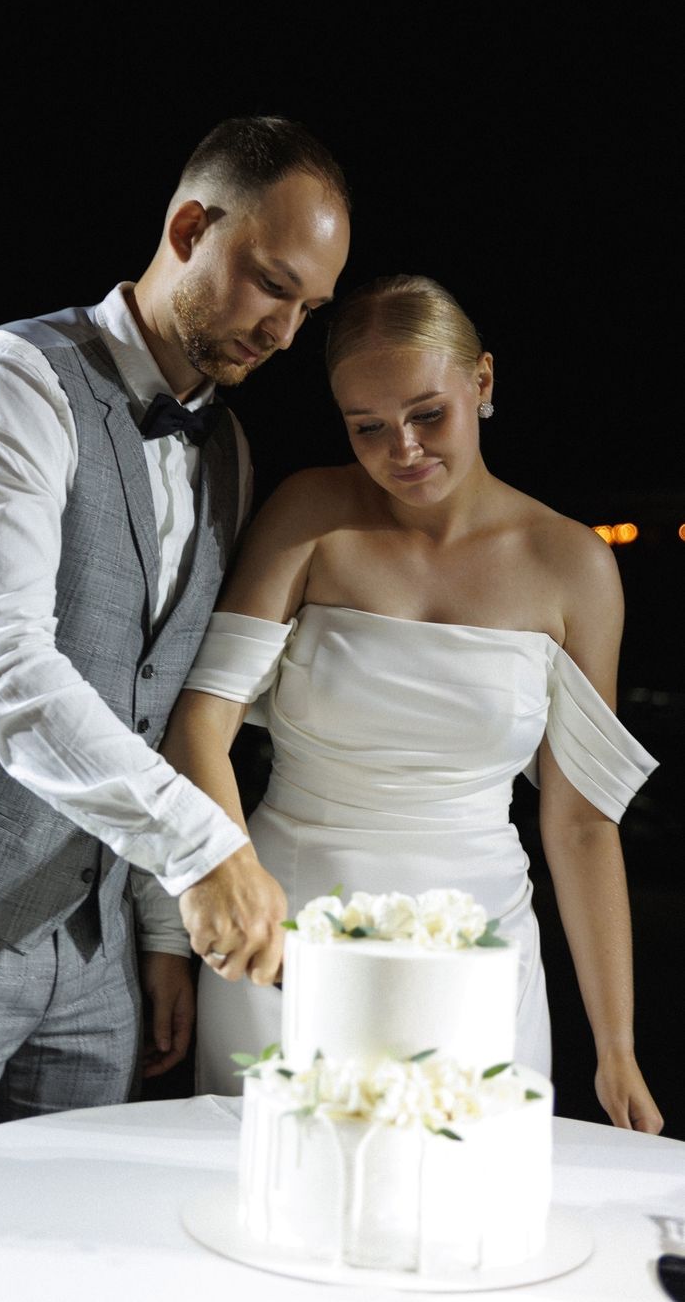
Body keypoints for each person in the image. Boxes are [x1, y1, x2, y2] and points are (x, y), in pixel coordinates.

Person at [0, 115, 351, 1295]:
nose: (282, 331)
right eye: (270, 284)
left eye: (307, 308)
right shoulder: (4, 382)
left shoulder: (229, 452)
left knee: (66, 1263)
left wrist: (156, 934)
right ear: (188, 227)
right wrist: (203, 853)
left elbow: (159, 695)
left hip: (93, 939)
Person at [160, 272, 664, 1136]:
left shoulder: (573, 566)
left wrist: (616, 1044)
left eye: (428, 414)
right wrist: (220, 890)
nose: (403, 449)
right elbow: (200, 722)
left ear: (483, 381)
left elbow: (582, 824)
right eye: (367, 426)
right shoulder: (310, 514)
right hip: (288, 938)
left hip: (479, 949)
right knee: (279, 1190)